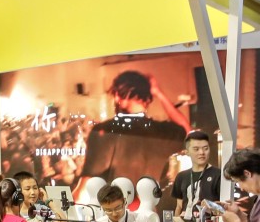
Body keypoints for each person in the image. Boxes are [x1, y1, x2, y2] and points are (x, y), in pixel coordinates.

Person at [74, 70, 190, 201]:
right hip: (149, 215)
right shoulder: (162, 132)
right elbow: (188, 131)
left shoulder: (105, 131)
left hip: (116, 215)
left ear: (117, 95)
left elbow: (84, 190)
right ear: (147, 99)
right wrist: (159, 93)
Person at [171, 130, 222, 222]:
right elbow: (179, 207)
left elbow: (223, 209)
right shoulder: (181, 176)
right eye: (196, 149)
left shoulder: (219, 175)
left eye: (205, 148)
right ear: (187, 152)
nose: (201, 153)